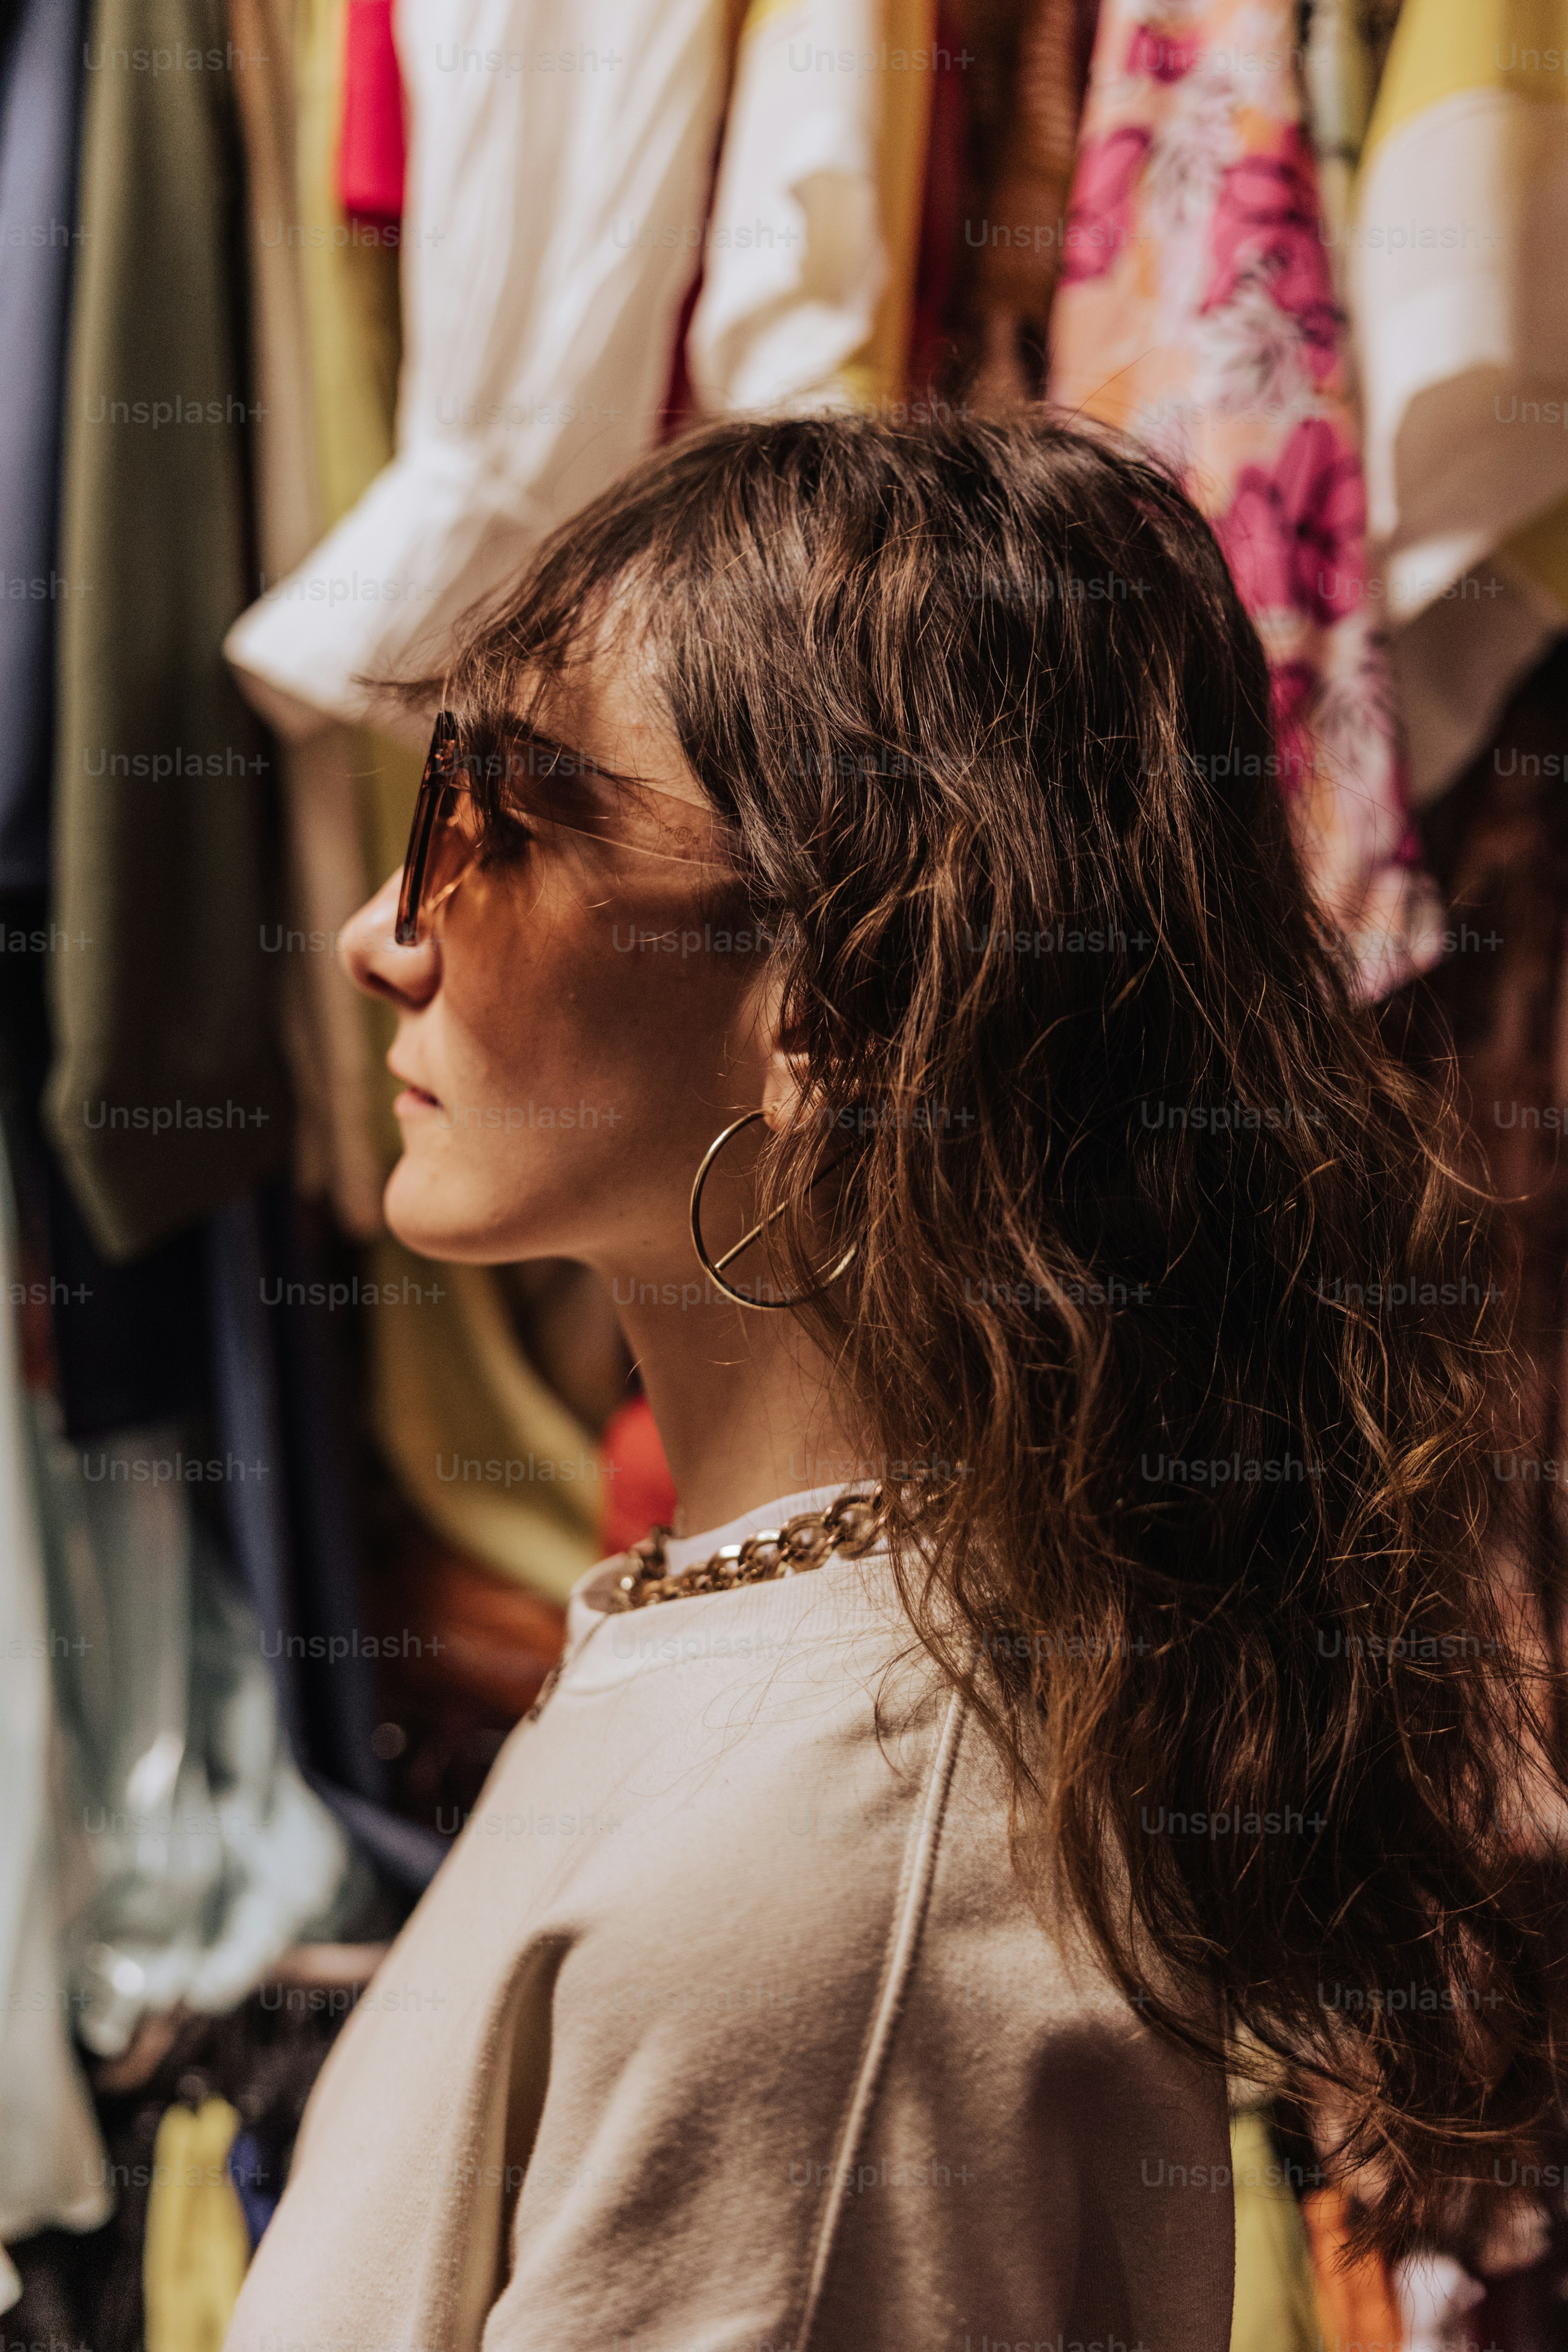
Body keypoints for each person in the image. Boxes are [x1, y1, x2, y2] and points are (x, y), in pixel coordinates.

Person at [224, 417, 1565, 2352]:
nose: (381, 933)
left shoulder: (815, 1890)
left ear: (831, 1006)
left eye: (495, 824)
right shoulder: (776, 1659)